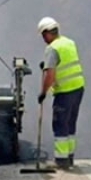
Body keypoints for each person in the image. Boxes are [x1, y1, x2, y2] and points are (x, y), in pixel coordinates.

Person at [37, 17, 85, 170]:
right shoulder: (69, 42)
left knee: (59, 124)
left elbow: (50, 75)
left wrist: (43, 93)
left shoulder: (52, 49)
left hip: (64, 92)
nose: (44, 39)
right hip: (78, 88)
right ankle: (69, 157)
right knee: (70, 123)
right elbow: (64, 63)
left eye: (43, 36)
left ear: (47, 33)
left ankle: (61, 160)